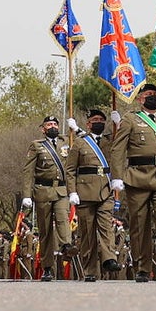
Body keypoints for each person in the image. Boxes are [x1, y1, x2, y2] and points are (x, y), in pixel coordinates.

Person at [110, 83, 156, 282]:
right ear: (140, 99)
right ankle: (142, 266)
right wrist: (117, 176)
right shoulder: (131, 119)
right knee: (140, 224)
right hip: (137, 176)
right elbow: (118, 149)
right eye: (148, 95)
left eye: (155, 95)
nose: (152, 98)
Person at [65, 109, 121, 281]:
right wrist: (72, 191)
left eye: (102, 120)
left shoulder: (110, 141)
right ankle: (89, 270)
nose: (99, 123)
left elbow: (123, 140)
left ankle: (109, 259)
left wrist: (118, 124)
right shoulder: (80, 143)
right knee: (87, 233)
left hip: (105, 191)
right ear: (88, 124)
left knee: (106, 228)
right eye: (95, 120)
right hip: (85, 192)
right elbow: (70, 169)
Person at [21, 117, 74, 281]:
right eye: (49, 125)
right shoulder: (36, 145)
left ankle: (66, 245)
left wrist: (75, 128)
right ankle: (47, 268)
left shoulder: (66, 140)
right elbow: (28, 171)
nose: (53, 127)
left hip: (61, 189)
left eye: (55, 124)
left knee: (62, 218)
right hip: (43, 191)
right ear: (43, 129)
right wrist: (26, 195)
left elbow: (84, 142)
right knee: (45, 232)